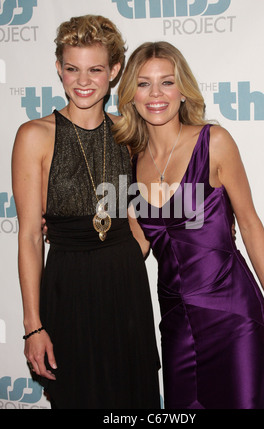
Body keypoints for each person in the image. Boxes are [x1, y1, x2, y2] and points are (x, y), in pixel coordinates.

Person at [113, 41, 264, 409]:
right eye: (143, 84)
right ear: (130, 95)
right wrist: (74, 232)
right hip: (176, 322)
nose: (155, 94)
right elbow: (134, 247)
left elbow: (250, 223)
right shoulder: (128, 160)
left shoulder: (214, 142)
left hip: (232, 314)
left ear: (182, 91)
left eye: (167, 82)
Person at [11, 16, 160, 409]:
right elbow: (28, 235)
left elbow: (138, 208)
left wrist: (135, 246)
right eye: (73, 69)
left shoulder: (129, 134)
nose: (83, 81)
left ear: (114, 71)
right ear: (59, 69)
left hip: (125, 286)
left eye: (95, 69)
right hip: (67, 287)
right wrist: (32, 326)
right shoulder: (34, 136)